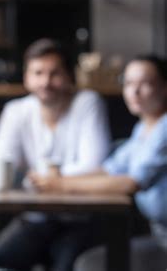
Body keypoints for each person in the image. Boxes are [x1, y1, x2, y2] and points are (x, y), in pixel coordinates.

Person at [28, 55, 167, 271]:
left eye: (145, 84)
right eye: (129, 83)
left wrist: (61, 185)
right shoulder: (143, 130)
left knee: (88, 264)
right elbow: (108, 169)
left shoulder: (164, 129)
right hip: (158, 235)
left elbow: (131, 183)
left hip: (163, 241)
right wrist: (57, 179)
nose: (135, 92)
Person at [0, 38, 111, 271]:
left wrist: (38, 177)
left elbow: (96, 165)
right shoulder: (16, 111)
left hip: (81, 218)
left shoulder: (87, 102)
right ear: (26, 77)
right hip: (35, 216)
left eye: (54, 73)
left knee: (69, 265)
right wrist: (47, 177)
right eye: (38, 73)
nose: (46, 81)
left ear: (69, 76)